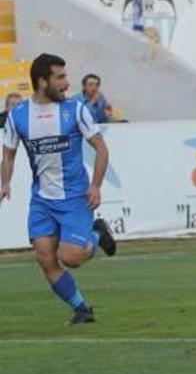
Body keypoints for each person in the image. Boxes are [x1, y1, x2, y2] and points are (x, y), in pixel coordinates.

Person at [0, 54, 117, 325]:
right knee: (45, 257)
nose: (67, 83)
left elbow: (101, 147)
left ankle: (98, 233)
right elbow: (8, 155)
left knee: (71, 257)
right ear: (42, 82)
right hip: (42, 199)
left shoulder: (75, 109)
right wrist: (5, 182)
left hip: (75, 197)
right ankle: (82, 309)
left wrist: (96, 186)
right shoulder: (18, 116)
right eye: (60, 77)